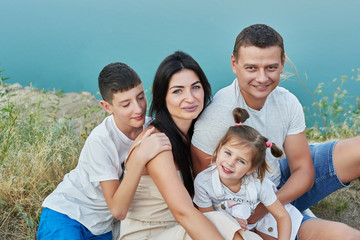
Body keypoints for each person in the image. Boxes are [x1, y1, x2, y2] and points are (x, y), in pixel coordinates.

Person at [191, 24, 360, 240]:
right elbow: (211, 197)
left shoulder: (287, 101)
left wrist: (270, 203)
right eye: (251, 68)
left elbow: (303, 171)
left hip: (277, 187)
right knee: (348, 237)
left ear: (282, 64)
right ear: (234, 64)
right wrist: (256, 216)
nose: (262, 78)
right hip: (246, 210)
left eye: (270, 67)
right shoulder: (215, 117)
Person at [119, 51, 251, 240]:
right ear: (162, 97)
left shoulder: (194, 135)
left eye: (195, 87)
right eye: (177, 91)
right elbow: (184, 213)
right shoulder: (156, 142)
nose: (190, 98)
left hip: (179, 229)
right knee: (220, 223)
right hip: (148, 235)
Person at [37, 62, 171, 239]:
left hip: (103, 228)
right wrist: (139, 158)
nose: (138, 109)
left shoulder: (152, 128)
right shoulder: (101, 140)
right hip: (68, 214)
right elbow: (118, 210)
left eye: (140, 97)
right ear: (107, 107)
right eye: (126, 104)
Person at [194, 107, 304, 240]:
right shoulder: (204, 182)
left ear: (251, 169)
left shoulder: (259, 185)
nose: (230, 163)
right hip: (235, 228)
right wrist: (230, 222)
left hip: (265, 220)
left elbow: (282, 217)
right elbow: (208, 220)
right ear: (219, 148)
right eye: (228, 153)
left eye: (241, 161)